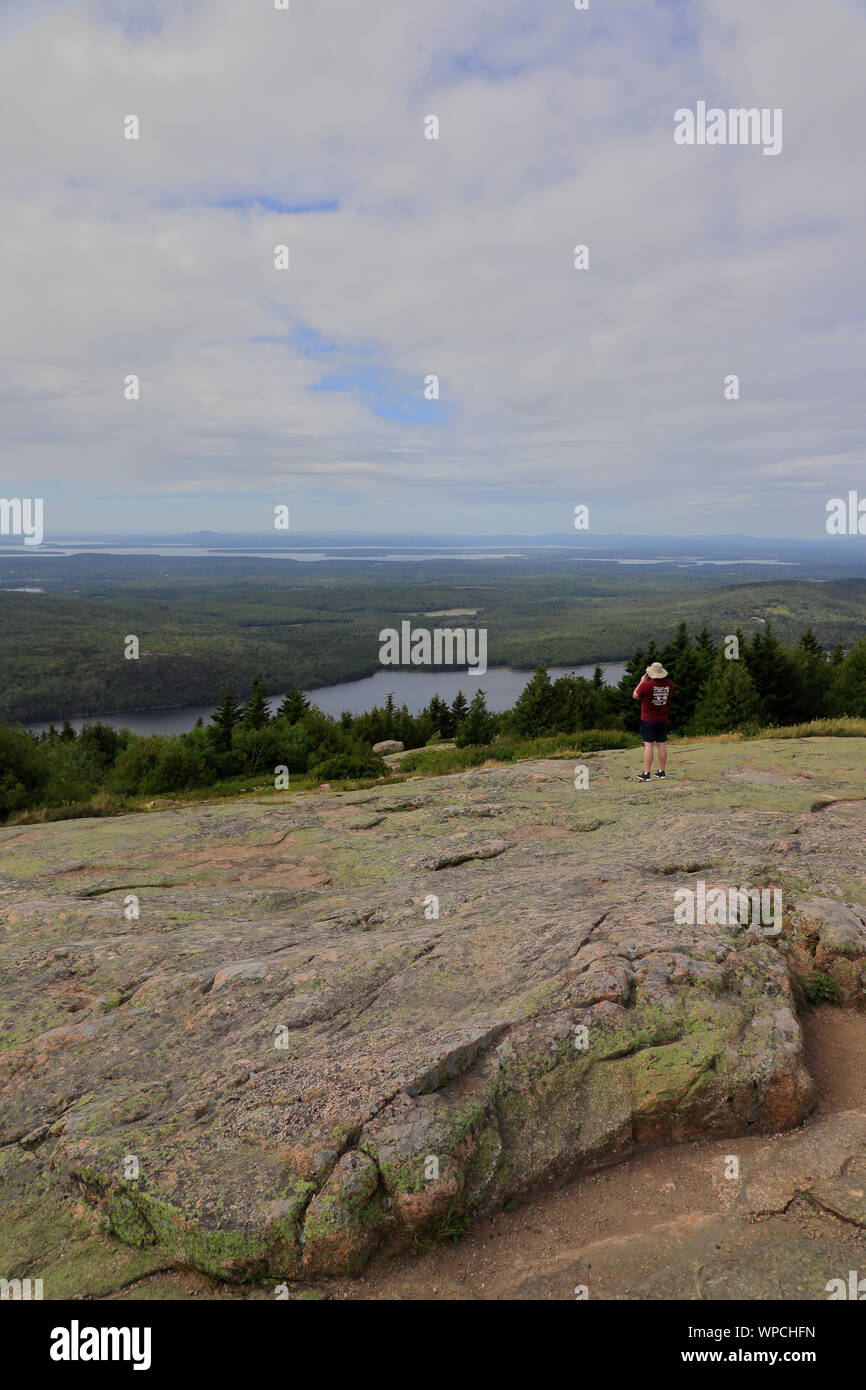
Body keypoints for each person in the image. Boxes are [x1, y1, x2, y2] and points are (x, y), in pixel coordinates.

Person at [632, 660, 674, 782]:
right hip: (663, 719)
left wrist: (641, 682)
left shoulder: (646, 685)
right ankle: (661, 772)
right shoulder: (670, 684)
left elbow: (635, 695)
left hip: (648, 719)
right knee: (661, 744)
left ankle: (647, 773)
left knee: (649, 745)